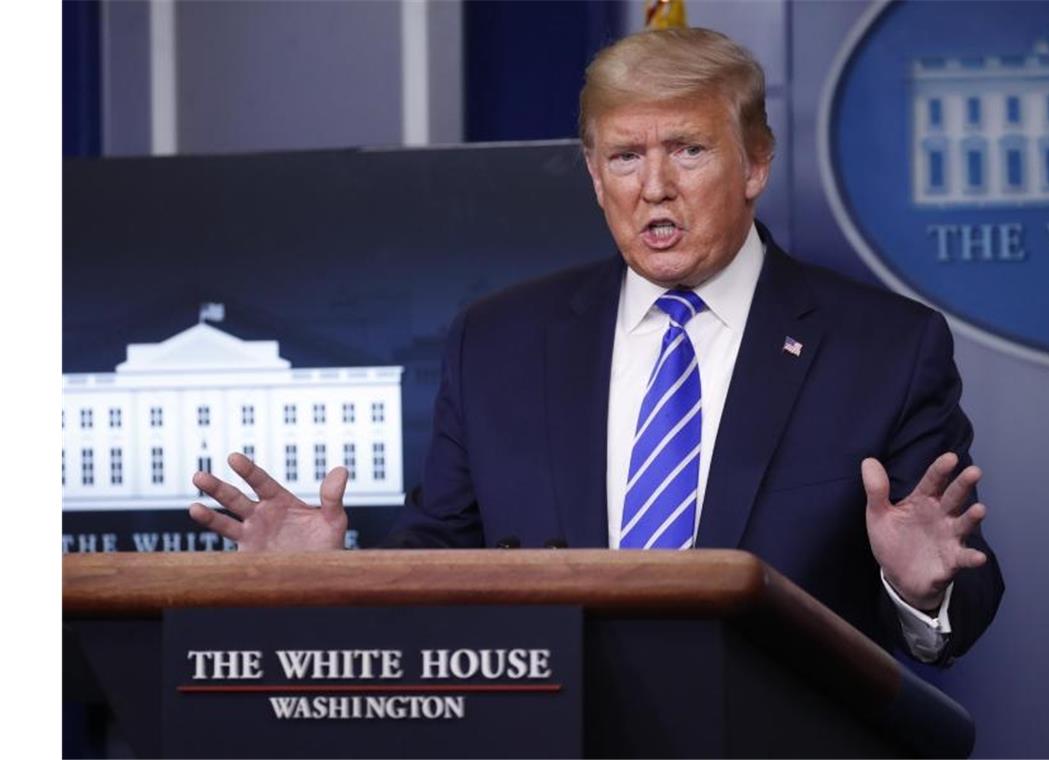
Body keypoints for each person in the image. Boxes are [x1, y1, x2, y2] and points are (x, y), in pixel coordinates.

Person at [189, 27, 1002, 665]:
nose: (654, 186)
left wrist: (913, 585)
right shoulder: (499, 343)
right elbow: (440, 560)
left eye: (687, 149)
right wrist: (332, 582)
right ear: (592, 174)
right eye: (624, 157)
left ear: (755, 161)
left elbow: (958, 598)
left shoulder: (884, 349)